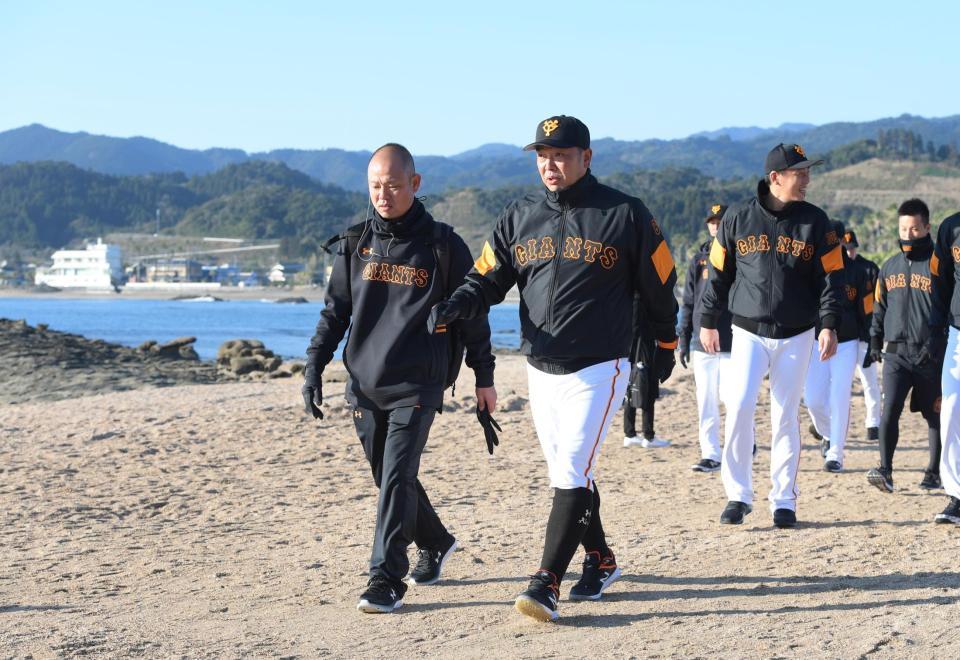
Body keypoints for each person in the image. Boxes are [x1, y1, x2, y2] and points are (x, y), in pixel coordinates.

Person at [428, 115, 678, 622]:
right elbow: (488, 278)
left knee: (571, 471)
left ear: (586, 158)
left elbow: (660, 286)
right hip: (540, 367)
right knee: (570, 473)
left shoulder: (626, 214)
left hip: (601, 365)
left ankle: (546, 583)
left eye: (561, 155)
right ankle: (602, 559)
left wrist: (665, 346)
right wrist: (458, 304)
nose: (550, 164)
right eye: (542, 155)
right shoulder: (519, 216)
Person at [302, 144, 497, 614]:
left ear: (415, 183)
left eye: (392, 184)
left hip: (419, 383)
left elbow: (473, 315)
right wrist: (313, 366)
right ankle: (435, 540)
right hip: (365, 383)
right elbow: (335, 313)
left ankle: (385, 578)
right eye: (375, 186)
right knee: (389, 478)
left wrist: (483, 377)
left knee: (396, 477)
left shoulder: (444, 246)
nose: (383, 194)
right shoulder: (354, 243)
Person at [699, 142, 844, 529]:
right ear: (776, 178)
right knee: (741, 404)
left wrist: (828, 323)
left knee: (785, 415)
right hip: (747, 329)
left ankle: (783, 500)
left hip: (797, 333)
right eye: (801, 173)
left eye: (808, 171)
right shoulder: (738, 218)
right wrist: (707, 319)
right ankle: (738, 495)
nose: (808, 179)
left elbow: (832, 277)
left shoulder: (816, 221)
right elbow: (718, 275)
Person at [866, 199, 943, 494]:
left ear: (926, 227)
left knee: (933, 414)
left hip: (930, 354)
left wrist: (939, 343)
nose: (908, 234)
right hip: (896, 352)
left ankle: (933, 471)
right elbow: (880, 307)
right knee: (889, 411)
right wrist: (874, 339)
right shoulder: (889, 267)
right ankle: (885, 470)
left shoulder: (940, 266)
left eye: (914, 229)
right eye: (903, 229)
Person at [802, 221, 874, 472]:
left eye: (836, 239)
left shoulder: (857, 270)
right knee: (813, 399)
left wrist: (870, 340)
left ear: (842, 240)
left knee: (840, 395)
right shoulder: (811, 266)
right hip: (815, 341)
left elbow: (866, 309)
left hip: (847, 342)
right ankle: (828, 433)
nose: (833, 242)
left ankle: (836, 453)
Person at [678, 204, 733, 472]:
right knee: (706, 399)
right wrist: (683, 337)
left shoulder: (738, 255)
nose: (715, 225)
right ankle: (710, 453)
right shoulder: (698, 258)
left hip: (732, 338)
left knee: (733, 397)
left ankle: (745, 442)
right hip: (701, 341)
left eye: (720, 221)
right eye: (711, 221)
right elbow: (688, 300)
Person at [930, 207, 960, 523]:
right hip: (957, 333)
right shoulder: (951, 227)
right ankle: (956, 495)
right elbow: (939, 280)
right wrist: (934, 328)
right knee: (951, 410)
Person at [845, 229, 882, 440]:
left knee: (870, 382)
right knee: (842, 383)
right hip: (848, 337)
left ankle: (873, 424)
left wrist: (876, 335)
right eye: (846, 249)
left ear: (856, 247)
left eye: (851, 248)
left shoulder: (869, 268)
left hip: (866, 336)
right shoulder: (840, 269)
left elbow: (878, 303)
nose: (849, 252)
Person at [623, 295, 671, 449]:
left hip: (631, 351)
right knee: (647, 392)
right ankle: (648, 436)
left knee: (631, 391)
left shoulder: (628, 296)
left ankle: (629, 434)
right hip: (643, 350)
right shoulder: (640, 297)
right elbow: (638, 328)